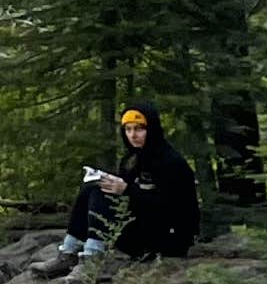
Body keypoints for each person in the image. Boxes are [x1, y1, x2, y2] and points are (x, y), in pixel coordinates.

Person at [60, 104, 203, 261]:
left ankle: (92, 260)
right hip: (141, 227)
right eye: (128, 130)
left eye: (139, 129)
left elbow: (171, 207)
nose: (133, 135)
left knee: (103, 196)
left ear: (151, 129)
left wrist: (127, 189)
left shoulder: (171, 162)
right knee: (92, 189)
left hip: (170, 237)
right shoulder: (131, 159)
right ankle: (68, 252)